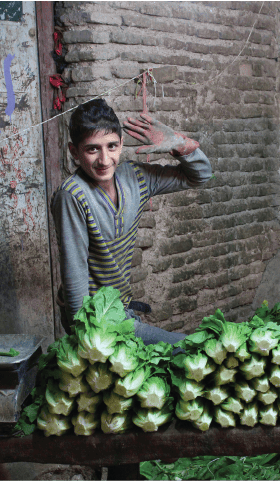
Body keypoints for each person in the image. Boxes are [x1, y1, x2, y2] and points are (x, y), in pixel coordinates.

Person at [51, 99, 212, 345]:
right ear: (74, 152)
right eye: (92, 149)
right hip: (93, 319)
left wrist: (181, 145)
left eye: (112, 146)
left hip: (121, 309)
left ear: (121, 144)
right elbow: (75, 277)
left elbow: (199, 176)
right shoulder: (72, 195)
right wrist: (85, 340)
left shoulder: (136, 177)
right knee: (191, 349)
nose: (105, 160)